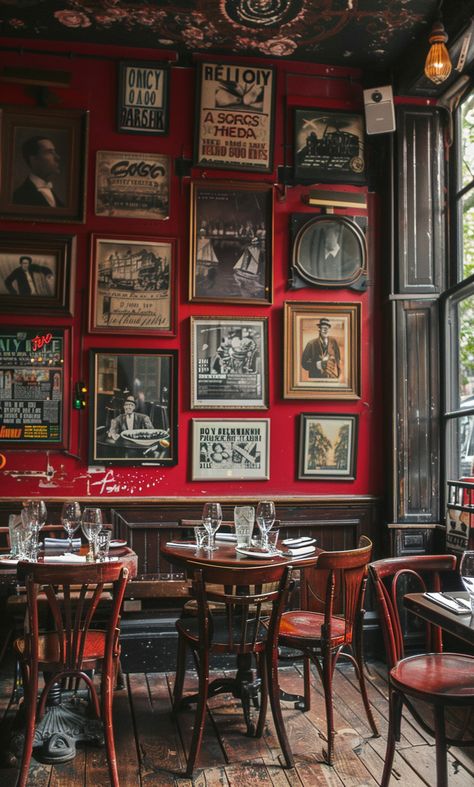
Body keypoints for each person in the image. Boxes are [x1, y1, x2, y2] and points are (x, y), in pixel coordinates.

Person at [12, 135, 64, 207]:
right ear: (33, 160)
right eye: (49, 152)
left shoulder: (51, 192)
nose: (57, 157)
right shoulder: (18, 197)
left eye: (54, 152)